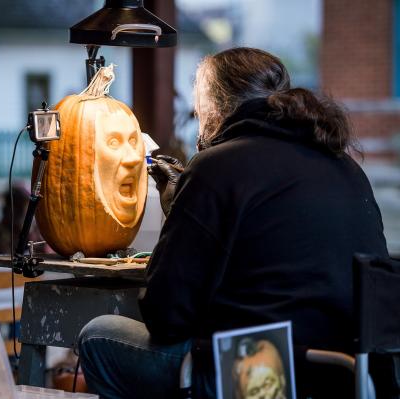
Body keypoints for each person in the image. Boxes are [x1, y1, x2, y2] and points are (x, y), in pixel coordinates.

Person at [77, 47, 388, 398]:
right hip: (350, 378)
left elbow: (166, 317)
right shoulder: (347, 168)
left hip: (260, 377)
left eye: (198, 105)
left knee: (98, 335)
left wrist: (182, 213)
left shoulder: (217, 166)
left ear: (216, 105)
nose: (197, 117)